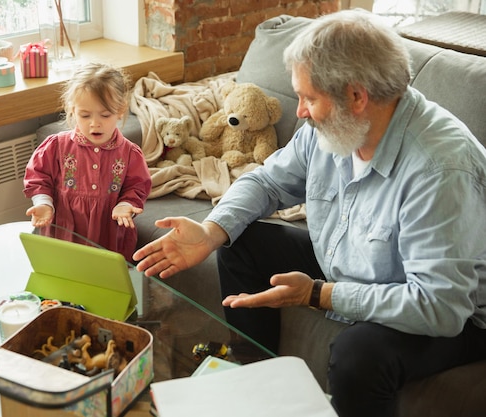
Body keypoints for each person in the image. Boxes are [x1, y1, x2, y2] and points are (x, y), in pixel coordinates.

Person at [133, 9, 486, 417]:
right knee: (240, 238)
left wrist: (319, 294)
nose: (298, 111)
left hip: (453, 313)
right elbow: (266, 182)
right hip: (356, 261)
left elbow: (439, 306)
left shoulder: (440, 169)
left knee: (358, 357)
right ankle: (257, 386)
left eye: (309, 98)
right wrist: (211, 231)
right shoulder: (332, 129)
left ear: (356, 96)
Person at [24, 62, 151, 262]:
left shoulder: (130, 153)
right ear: (72, 110)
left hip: (108, 235)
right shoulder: (56, 146)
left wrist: (125, 204)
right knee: (65, 280)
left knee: (106, 282)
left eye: (105, 115)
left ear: (120, 110)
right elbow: (38, 176)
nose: (95, 123)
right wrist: (43, 203)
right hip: (63, 233)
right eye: (85, 115)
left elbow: (137, 186)